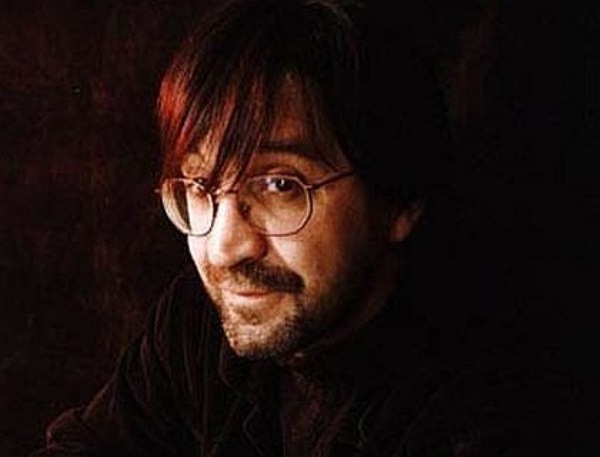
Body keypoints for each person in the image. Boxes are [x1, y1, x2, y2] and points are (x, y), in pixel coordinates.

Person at [31, 0, 569, 456]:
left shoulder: (484, 412)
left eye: (281, 185)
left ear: (400, 204)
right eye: (199, 186)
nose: (224, 248)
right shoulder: (198, 323)